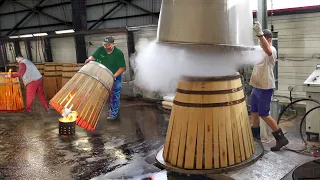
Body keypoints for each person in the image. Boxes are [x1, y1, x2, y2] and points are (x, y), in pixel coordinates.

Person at [250, 21, 289, 151]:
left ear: (268, 40)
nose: (260, 42)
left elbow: (267, 49)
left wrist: (260, 34)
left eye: (262, 40)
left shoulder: (271, 49)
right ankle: (255, 139)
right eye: (259, 40)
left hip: (265, 87)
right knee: (254, 112)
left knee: (264, 114)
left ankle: (281, 138)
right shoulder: (259, 49)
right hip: (255, 86)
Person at [85, 36, 126, 120]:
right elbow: (93, 57)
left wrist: (113, 77)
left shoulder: (118, 53)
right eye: (105, 45)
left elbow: (122, 68)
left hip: (115, 75)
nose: (106, 47)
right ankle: (93, 112)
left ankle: (113, 114)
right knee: (97, 92)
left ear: (113, 44)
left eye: (108, 45)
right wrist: (89, 59)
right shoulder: (100, 49)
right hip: (101, 74)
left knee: (115, 93)